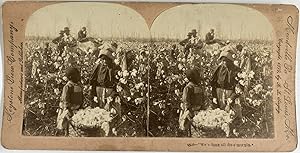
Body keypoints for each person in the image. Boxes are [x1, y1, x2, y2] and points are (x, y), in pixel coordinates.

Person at [89, 47, 122, 135]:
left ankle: (110, 132)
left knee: (111, 114)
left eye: (105, 59)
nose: (103, 61)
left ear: (109, 59)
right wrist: (93, 96)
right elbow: (93, 82)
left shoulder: (114, 69)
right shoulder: (98, 67)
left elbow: (117, 86)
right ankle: (100, 132)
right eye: (102, 59)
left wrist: (111, 98)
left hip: (110, 93)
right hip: (99, 92)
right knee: (100, 114)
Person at [56, 67, 83, 136]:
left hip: (78, 109)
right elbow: (65, 100)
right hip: (70, 110)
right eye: (77, 75)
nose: (79, 76)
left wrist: (81, 106)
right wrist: (68, 109)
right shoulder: (68, 87)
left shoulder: (79, 85)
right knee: (68, 126)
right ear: (71, 77)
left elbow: (81, 97)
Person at [179, 68, 205, 137]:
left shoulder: (199, 87)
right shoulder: (188, 88)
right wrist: (190, 112)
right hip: (191, 112)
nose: (199, 78)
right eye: (197, 76)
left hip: (199, 112)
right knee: (192, 130)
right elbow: (186, 101)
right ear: (192, 78)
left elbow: (202, 99)